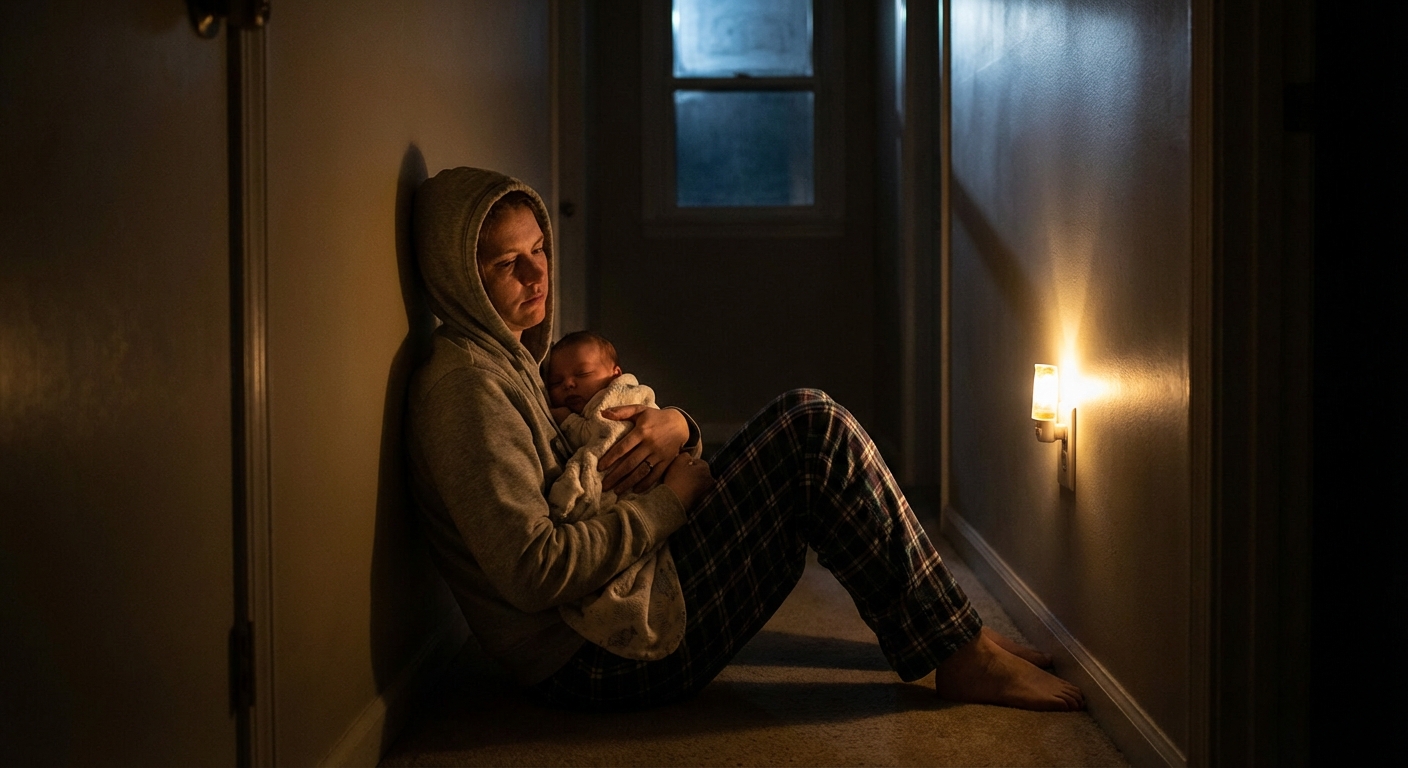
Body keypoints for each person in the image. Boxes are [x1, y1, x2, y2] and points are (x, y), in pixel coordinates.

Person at [406, 166, 1083, 711]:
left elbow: (596, 450)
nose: (535, 275)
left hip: (625, 594)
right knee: (810, 428)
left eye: (539, 251)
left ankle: (951, 633)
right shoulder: (466, 389)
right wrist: (670, 501)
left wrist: (680, 429)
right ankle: (959, 651)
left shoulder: (512, 358)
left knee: (805, 425)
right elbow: (535, 571)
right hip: (590, 661)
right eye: (506, 264)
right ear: (462, 277)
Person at [542, 330, 686, 661]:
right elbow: (593, 435)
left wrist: (565, 422)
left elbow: (605, 439)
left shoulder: (619, 400)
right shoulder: (580, 411)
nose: (569, 386)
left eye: (581, 374)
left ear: (614, 375)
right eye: (557, 382)